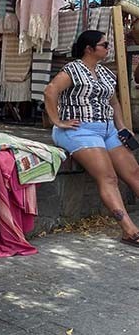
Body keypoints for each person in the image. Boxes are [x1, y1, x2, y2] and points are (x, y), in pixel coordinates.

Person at [44, 30, 139, 248]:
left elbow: (113, 102)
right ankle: (129, 230)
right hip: (80, 130)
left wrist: (122, 127)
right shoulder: (73, 69)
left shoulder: (106, 73)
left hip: (107, 129)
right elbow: (50, 91)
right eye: (104, 45)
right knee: (109, 178)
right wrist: (58, 121)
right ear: (89, 48)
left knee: (134, 172)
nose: (108, 48)